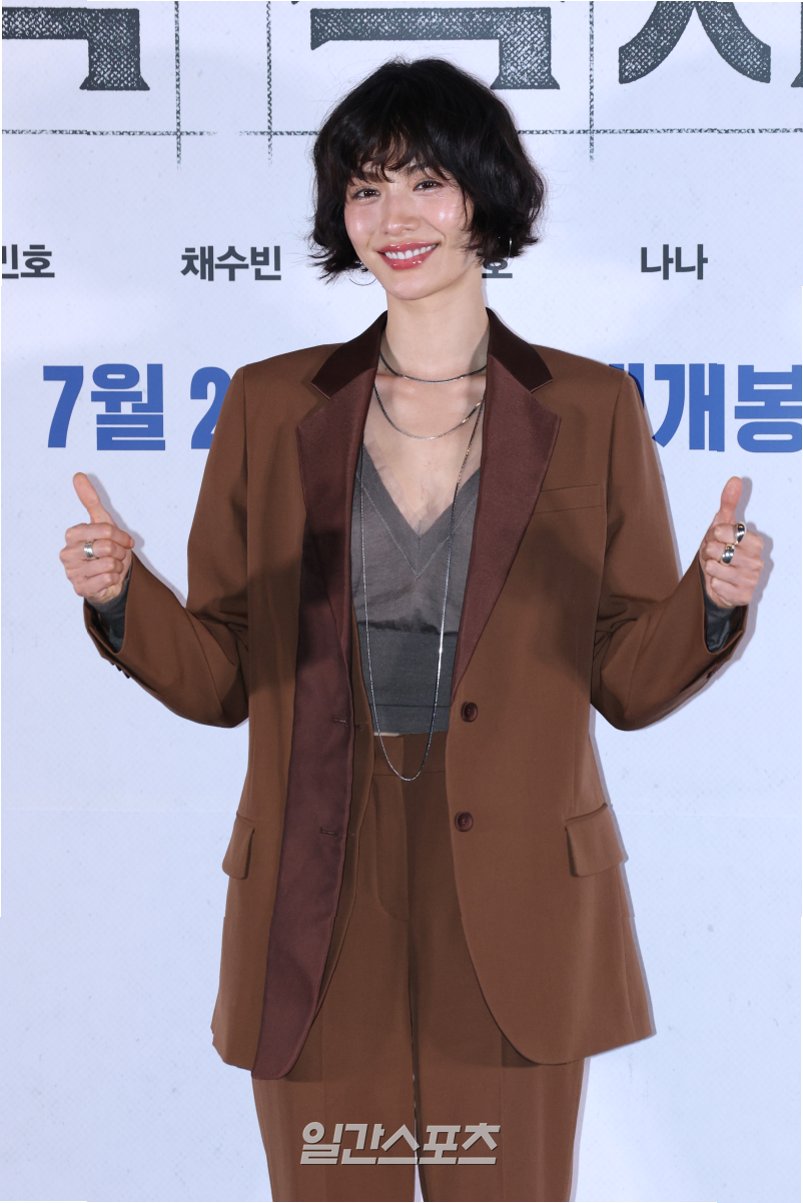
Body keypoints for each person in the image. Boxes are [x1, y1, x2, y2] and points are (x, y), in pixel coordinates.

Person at [60, 58, 764, 1203]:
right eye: (364, 188)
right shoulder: (270, 405)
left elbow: (627, 680)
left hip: (519, 876)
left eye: (425, 182)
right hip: (317, 867)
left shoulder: (588, 408)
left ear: (484, 194)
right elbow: (224, 675)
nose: (393, 217)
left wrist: (711, 604)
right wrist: (119, 596)